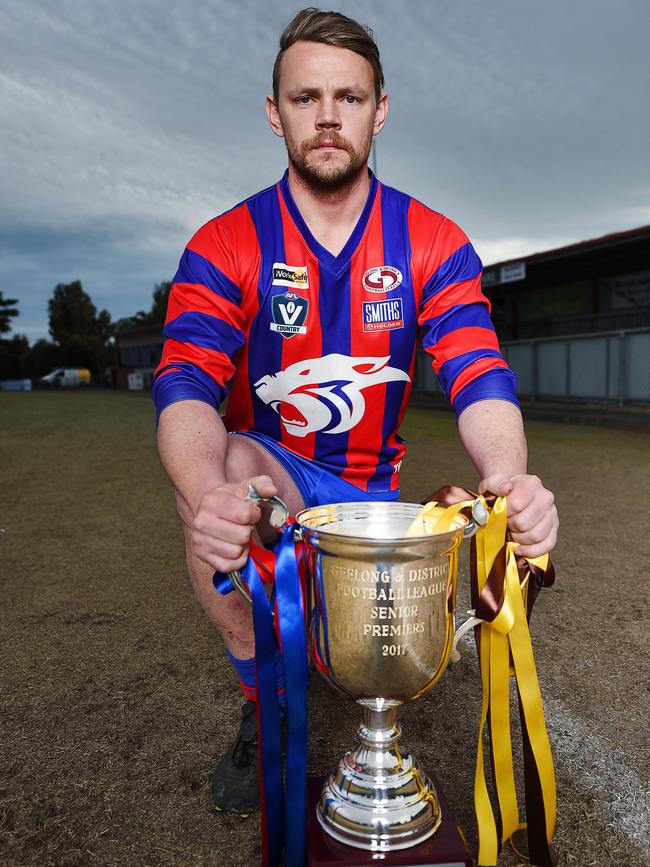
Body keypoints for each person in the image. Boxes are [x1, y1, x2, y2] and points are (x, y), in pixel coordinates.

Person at [152, 7, 559, 816]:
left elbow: (478, 371)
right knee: (217, 474)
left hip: (378, 497)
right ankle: (260, 692)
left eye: (349, 96)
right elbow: (184, 386)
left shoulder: (431, 239)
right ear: (276, 113)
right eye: (306, 98)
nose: (328, 116)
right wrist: (210, 501)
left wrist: (511, 483)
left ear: (381, 109)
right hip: (281, 479)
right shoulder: (225, 243)